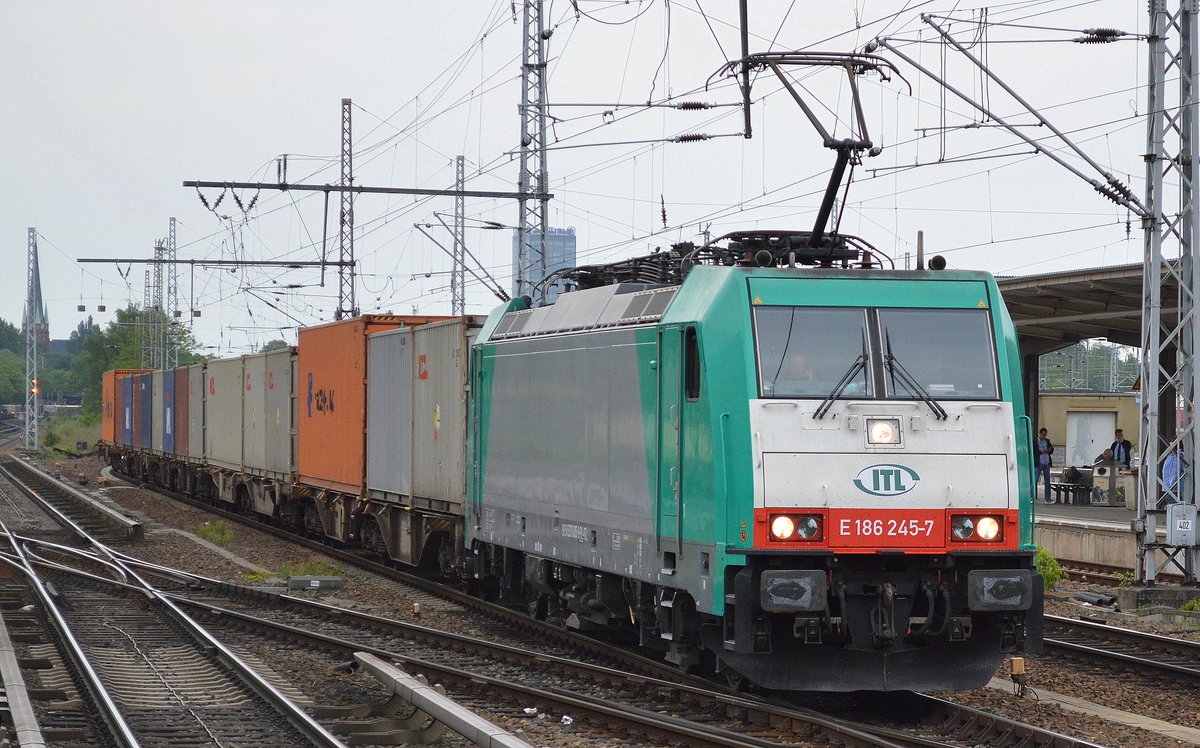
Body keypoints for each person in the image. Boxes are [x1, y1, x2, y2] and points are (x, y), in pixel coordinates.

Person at [1035, 428, 1054, 503]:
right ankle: (1032, 496)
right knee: (1035, 479)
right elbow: (1033, 451)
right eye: (1043, 435)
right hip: (1039, 462)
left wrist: (1049, 450)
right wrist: (1040, 451)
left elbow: (1052, 449)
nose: (1044, 437)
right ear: (1039, 434)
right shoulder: (1035, 441)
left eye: (1045, 435)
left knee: (1047, 481)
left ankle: (1047, 498)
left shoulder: (1047, 441)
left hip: (1046, 462)